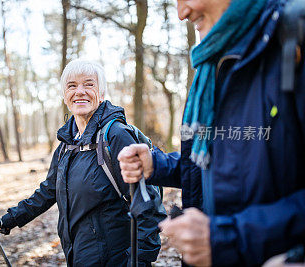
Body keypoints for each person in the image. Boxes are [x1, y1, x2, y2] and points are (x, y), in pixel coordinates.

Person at [118, 0, 305, 266]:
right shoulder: (211, 67)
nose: (182, 13)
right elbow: (216, 164)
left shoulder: (294, 35)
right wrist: (155, 163)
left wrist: (231, 239)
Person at [0, 59, 166, 266]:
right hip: (77, 255)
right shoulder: (67, 145)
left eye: (89, 84)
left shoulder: (116, 136)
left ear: (101, 93)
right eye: (72, 86)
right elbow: (48, 191)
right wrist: (6, 221)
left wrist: (139, 260)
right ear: (64, 95)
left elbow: (147, 203)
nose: (80, 91)